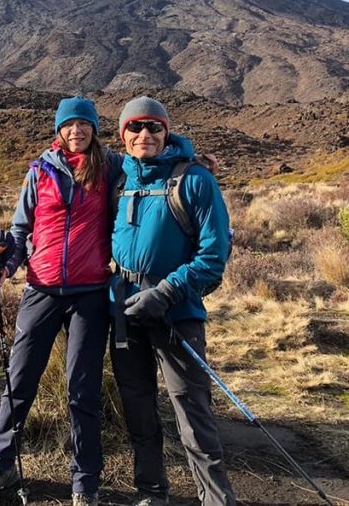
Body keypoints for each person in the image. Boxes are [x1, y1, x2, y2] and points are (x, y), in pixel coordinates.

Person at [0, 96, 122, 506]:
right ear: (59, 130)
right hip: (41, 289)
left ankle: (84, 484)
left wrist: (193, 160)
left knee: (83, 390)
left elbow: (154, 162)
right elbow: (20, 234)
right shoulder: (39, 171)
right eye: (70, 124)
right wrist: (4, 267)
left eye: (84, 124)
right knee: (18, 383)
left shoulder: (111, 168)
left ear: (94, 129)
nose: (78, 131)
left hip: (89, 294)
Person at [109, 96, 237, 506]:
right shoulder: (118, 180)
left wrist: (165, 293)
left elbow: (213, 259)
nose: (144, 135)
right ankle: (151, 491)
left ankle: (216, 500)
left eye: (153, 127)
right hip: (125, 313)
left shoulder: (195, 180)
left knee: (192, 411)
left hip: (175, 313)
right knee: (139, 406)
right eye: (135, 127)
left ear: (167, 132)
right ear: (122, 134)